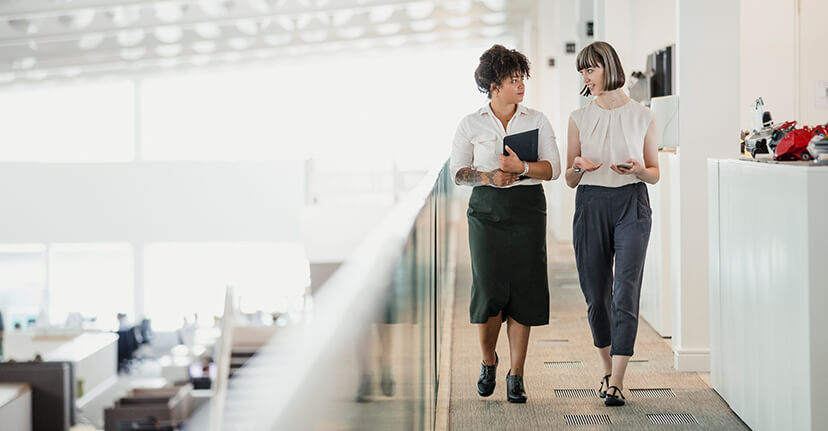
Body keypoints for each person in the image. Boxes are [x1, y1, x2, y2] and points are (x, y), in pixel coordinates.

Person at [450, 44, 561, 403]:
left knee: (525, 290)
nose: (521, 85)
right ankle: (489, 359)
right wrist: (488, 178)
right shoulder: (470, 124)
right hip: (486, 212)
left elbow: (553, 169)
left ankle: (517, 374)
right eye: (513, 79)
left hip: (528, 209)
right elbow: (458, 173)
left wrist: (522, 169)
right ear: (494, 85)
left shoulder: (537, 119)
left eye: (522, 78)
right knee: (489, 290)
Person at [565, 41, 659, 407]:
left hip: (632, 202)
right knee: (596, 295)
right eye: (582, 72)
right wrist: (576, 167)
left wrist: (638, 169)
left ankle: (618, 379)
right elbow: (569, 179)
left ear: (608, 67)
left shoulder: (643, 114)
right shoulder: (579, 117)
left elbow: (654, 173)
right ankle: (606, 368)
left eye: (591, 69)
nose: (586, 78)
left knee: (625, 291)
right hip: (590, 203)